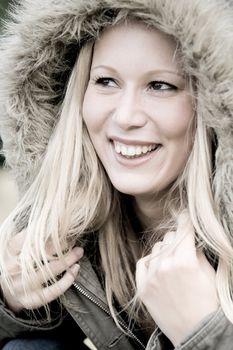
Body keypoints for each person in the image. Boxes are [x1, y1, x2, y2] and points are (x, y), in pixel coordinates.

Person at [0, 0, 232, 349]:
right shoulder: (73, 229)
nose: (125, 117)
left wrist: (207, 333)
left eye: (161, 86)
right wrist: (11, 301)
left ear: (212, 105)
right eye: (106, 80)